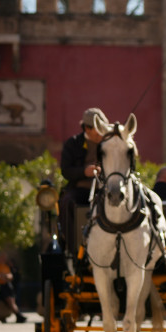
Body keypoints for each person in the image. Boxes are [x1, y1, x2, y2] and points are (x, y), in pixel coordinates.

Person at [59, 107, 106, 251]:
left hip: (105, 190)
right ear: (87, 128)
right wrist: (84, 172)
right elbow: (66, 171)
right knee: (67, 202)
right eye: (98, 129)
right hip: (81, 189)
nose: (101, 133)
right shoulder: (72, 144)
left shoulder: (108, 142)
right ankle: (73, 248)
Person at [0, 252, 26, 323]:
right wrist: (2, 276)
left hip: (6, 286)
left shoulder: (6, 267)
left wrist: (5, 276)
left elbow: (10, 276)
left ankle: (18, 315)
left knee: (11, 299)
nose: (3, 259)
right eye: (2, 257)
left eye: (4, 258)